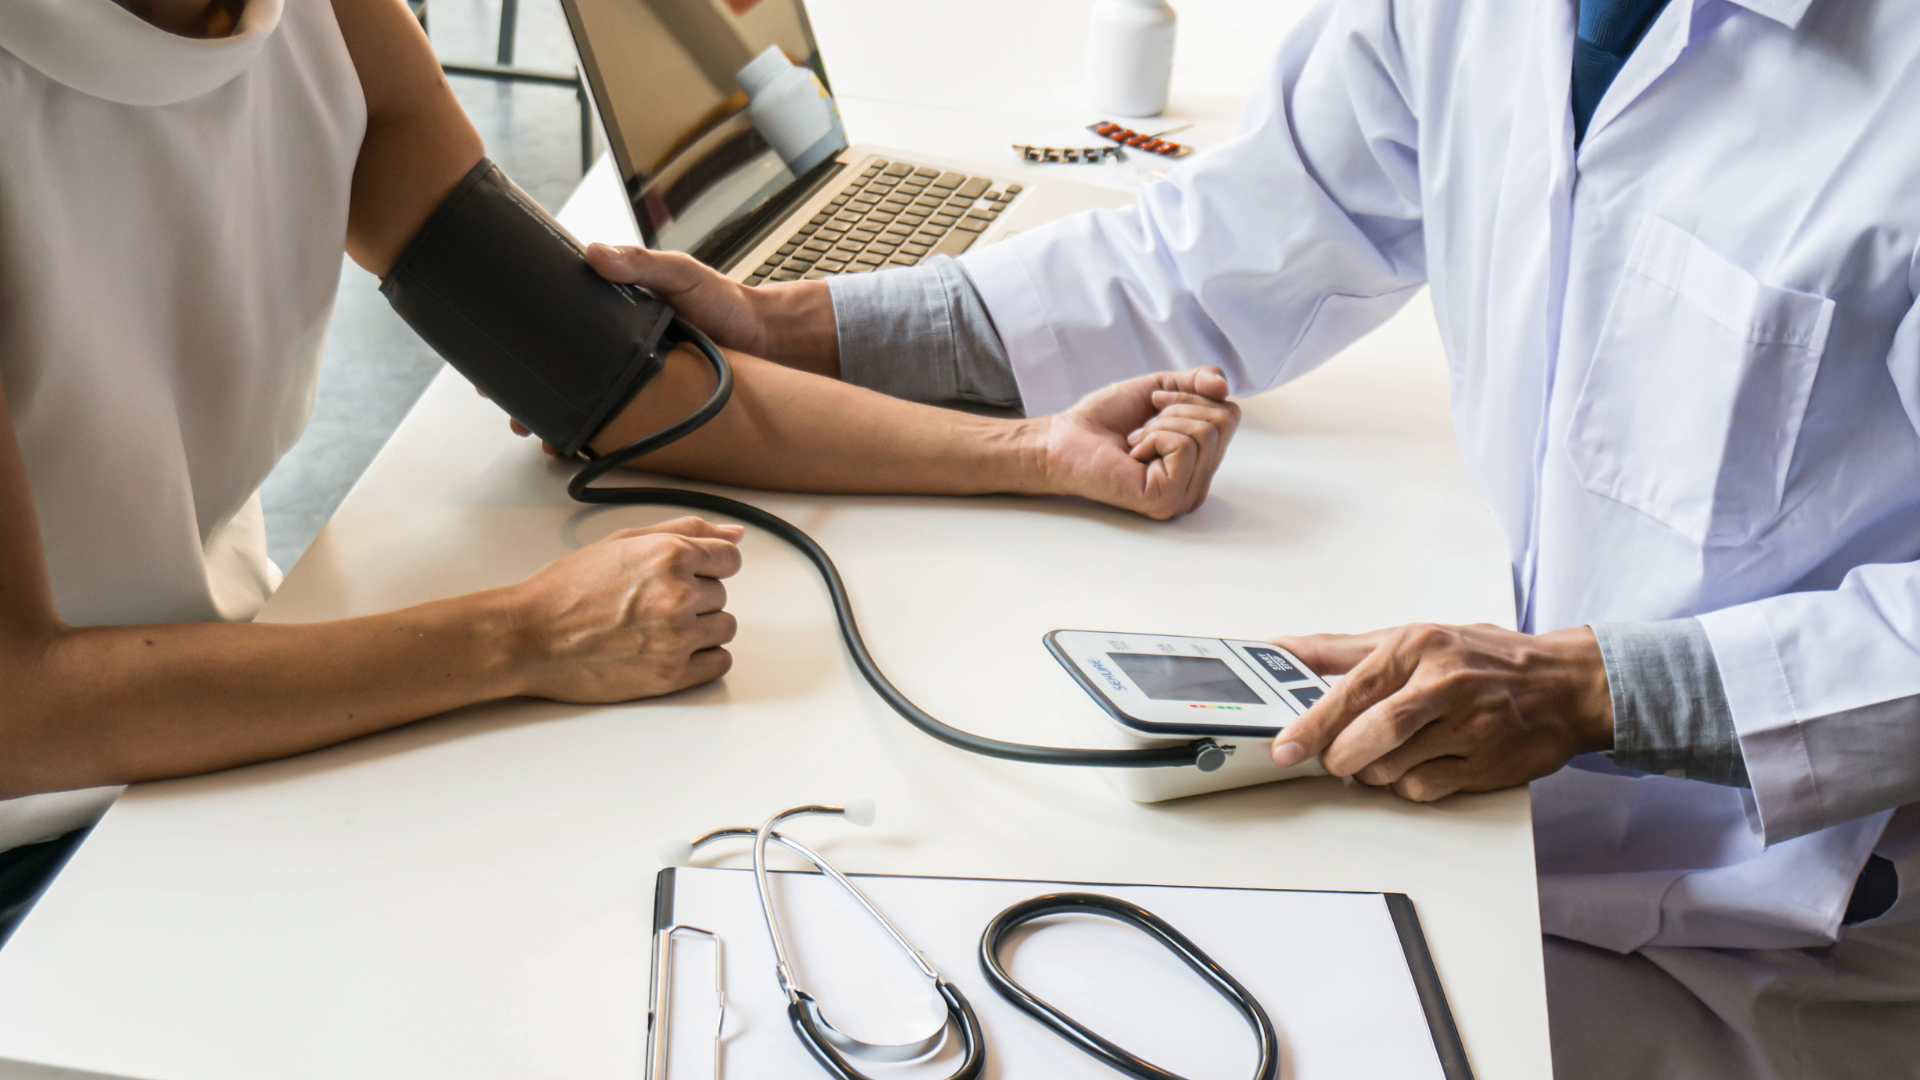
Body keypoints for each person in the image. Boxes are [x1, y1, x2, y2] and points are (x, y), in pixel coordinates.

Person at [600, 0, 1920, 1075]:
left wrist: (1603, 690)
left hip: (1783, 945)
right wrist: (786, 330)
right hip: (1531, 829)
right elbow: (1216, 254)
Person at [0, 0, 1240, 942]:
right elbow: (21, 712)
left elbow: (614, 381)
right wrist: (521, 637)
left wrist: (1032, 452)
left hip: (216, 721)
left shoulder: (324, 21)